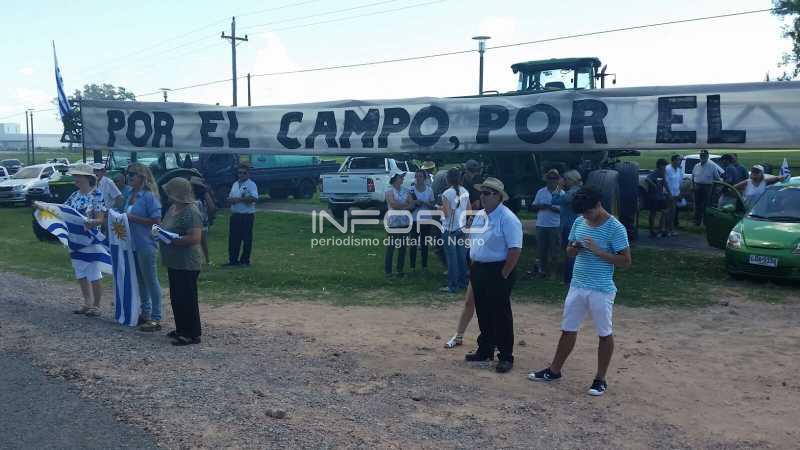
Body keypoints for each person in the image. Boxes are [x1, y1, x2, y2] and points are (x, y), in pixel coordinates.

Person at [528, 186, 631, 396]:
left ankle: (600, 379)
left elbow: (626, 261)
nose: (586, 216)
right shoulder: (579, 221)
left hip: (601, 288)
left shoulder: (615, 228)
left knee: (604, 333)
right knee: (568, 329)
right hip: (577, 285)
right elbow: (569, 251)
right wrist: (574, 248)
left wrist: (599, 251)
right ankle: (554, 371)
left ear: (598, 205)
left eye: (588, 212)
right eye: (582, 213)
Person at [465, 177, 522, 373]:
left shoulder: (508, 218)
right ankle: (485, 349)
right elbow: (473, 239)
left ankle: (506, 356)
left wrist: (504, 273)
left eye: (487, 193)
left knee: (500, 314)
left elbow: (515, 249)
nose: (483, 196)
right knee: (483, 311)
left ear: (499, 197)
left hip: (498, 269)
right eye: (482, 193)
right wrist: (472, 263)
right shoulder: (480, 215)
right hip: (479, 268)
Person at [53, 163, 108, 317]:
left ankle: (96, 305)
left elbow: (101, 219)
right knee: (80, 272)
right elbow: (62, 211)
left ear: (87, 178)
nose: (75, 178)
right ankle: (87, 302)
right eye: (75, 175)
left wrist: (92, 222)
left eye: (78, 176)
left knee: (94, 272)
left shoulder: (97, 195)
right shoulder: (74, 195)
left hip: (90, 240)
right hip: (75, 240)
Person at [160, 177, 203, 346]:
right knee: (176, 297)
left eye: (170, 191)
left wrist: (172, 240)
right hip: (174, 261)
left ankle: (191, 333)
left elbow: (195, 238)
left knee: (187, 298)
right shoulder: (172, 208)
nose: (167, 194)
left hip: (187, 262)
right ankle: (181, 328)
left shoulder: (191, 211)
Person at [123, 163, 163, 331]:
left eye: (133, 174)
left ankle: (156, 317)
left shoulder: (149, 196)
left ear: (142, 177)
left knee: (151, 280)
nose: (129, 177)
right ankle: (145, 312)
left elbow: (156, 222)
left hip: (146, 243)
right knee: (140, 280)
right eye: (128, 173)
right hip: (132, 244)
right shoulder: (129, 194)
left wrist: (133, 219)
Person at [439, 168, 471, 293]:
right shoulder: (465, 191)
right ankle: (463, 282)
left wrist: (439, 208)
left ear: (448, 179)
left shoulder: (447, 193)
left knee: (452, 258)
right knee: (461, 257)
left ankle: (453, 285)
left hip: (449, 229)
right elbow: (469, 210)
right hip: (462, 228)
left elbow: (446, 213)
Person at [552, 170, 582, 284]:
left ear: (570, 180)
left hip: (569, 226)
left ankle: (569, 279)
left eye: (565, 179)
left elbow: (554, 200)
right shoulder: (579, 191)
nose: (563, 181)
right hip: (576, 224)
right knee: (575, 251)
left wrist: (559, 187)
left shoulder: (571, 193)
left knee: (570, 252)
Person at [225, 164, 258, 267]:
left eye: (244, 173)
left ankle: (245, 261)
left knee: (246, 239)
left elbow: (254, 198)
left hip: (246, 216)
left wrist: (239, 199)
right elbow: (231, 197)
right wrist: (230, 200)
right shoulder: (235, 184)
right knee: (233, 239)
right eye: (239, 173)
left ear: (248, 174)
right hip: (235, 215)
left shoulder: (251, 185)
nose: (241, 175)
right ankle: (233, 260)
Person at [531, 169, 561, 278]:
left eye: (554, 178)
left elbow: (564, 210)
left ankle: (553, 272)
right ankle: (542, 271)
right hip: (541, 225)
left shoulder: (561, 193)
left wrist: (551, 208)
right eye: (550, 178)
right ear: (546, 179)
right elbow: (533, 206)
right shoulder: (541, 192)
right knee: (541, 250)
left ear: (558, 180)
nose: (552, 180)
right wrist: (540, 206)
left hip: (555, 226)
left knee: (554, 251)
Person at [384, 172, 414, 277]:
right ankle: (388, 271)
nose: (402, 178)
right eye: (400, 177)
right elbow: (393, 204)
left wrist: (402, 206)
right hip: (393, 222)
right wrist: (405, 206)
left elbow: (411, 204)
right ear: (395, 179)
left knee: (403, 247)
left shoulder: (406, 190)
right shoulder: (388, 191)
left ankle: (399, 270)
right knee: (391, 246)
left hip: (404, 221)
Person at [409, 170, 434, 272]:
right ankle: (412, 266)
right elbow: (408, 204)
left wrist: (427, 203)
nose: (418, 179)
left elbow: (433, 205)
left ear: (424, 178)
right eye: (416, 176)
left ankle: (424, 266)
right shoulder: (411, 190)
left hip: (426, 220)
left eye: (420, 176)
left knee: (424, 244)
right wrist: (415, 202)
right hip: (414, 219)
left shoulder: (429, 190)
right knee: (413, 243)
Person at [191, 176, 217, 265]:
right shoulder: (204, 194)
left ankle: (199, 259)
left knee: (196, 241)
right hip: (203, 220)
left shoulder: (193, 195)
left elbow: (212, 207)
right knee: (203, 241)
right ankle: (207, 259)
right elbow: (212, 207)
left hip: (196, 220)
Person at [691, 150, 720, 226]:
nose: (702, 157)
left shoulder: (712, 166)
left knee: (706, 205)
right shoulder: (696, 166)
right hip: (697, 186)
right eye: (701, 155)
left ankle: (705, 222)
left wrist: (715, 188)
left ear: (707, 156)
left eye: (704, 156)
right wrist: (692, 186)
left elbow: (717, 178)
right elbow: (692, 177)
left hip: (708, 187)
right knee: (697, 205)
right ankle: (696, 221)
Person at [645, 159, 669, 238]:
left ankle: (661, 229)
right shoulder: (655, 172)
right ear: (660, 165)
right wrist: (653, 185)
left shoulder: (663, 173)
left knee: (665, 211)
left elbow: (664, 183)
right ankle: (652, 230)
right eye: (664, 165)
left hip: (661, 196)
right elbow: (647, 179)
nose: (665, 167)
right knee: (653, 213)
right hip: (654, 196)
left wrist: (669, 192)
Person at [664, 154, 683, 236]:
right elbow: (665, 182)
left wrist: (680, 193)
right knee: (667, 212)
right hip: (668, 194)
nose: (680, 162)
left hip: (676, 194)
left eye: (680, 160)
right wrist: (669, 193)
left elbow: (680, 182)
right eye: (678, 160)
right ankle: (666, 230)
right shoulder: (667, 169)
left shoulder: (679, 170)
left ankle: (671, 229)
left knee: (673, 212)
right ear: (674, 160)